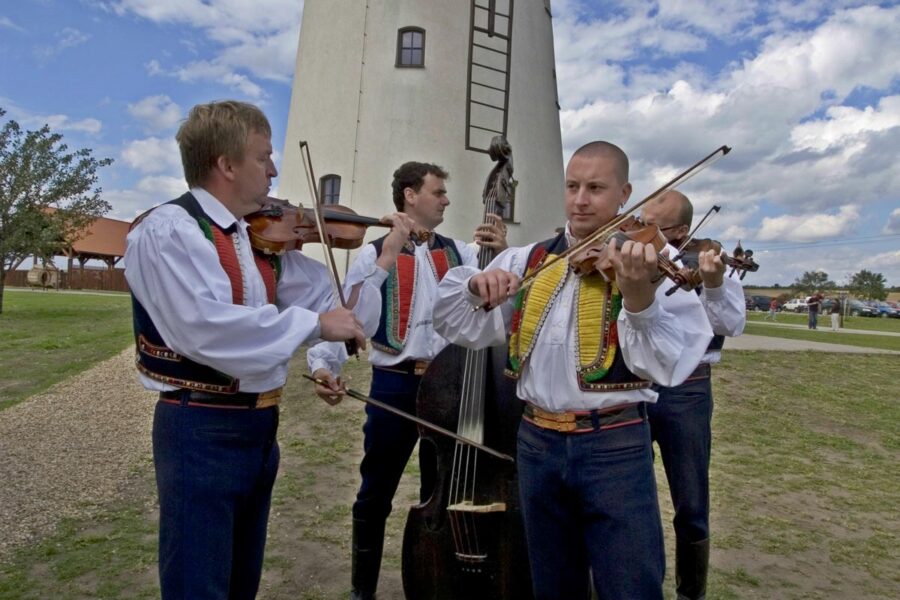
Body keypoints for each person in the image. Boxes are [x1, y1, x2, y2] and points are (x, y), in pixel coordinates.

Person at [124, 100, 413, 600]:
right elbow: (205, 330)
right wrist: (314, 324)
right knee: (199, 582)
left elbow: (344, 315)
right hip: (200, 426)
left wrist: (383, 261)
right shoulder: (169, 230)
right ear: (227, 164)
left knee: (241, 582)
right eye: (264, 157)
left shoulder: (255, 240)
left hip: (259, 426)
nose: (275, 170)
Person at [431, 141, 713, 599]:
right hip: (536, 444)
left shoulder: (653, 263)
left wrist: (638, 297)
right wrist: (474, 288)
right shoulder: (530, 259)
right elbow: (456, 324)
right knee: (552, 584)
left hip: (613, 448)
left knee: (630, 585)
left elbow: (667, 363)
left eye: (596, 188)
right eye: (573, 186)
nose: (581, 199)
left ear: (625, 193)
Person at [307, 161, 507, 600]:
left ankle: (436, 580)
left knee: (441, 491)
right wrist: (326, 365)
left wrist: (500, 252)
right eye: (438, 192)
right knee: (375, 490)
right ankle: (364, 590)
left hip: (449, 388)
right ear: (410, 195)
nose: (446, 199)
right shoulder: (375, 251)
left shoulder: (464, 253)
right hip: (394, 383)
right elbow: (350, 315)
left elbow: (493, 291)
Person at [640, 190, 747, 600]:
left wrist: (715, 283)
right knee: (628, 496)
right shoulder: (634, 255)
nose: (643, 232)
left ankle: (691, 593)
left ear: (683, 231)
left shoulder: (707, 263)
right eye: (641, 222)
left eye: (656, 226)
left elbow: (732, 324)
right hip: (635, 387)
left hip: (688, 391)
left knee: (691, 498)